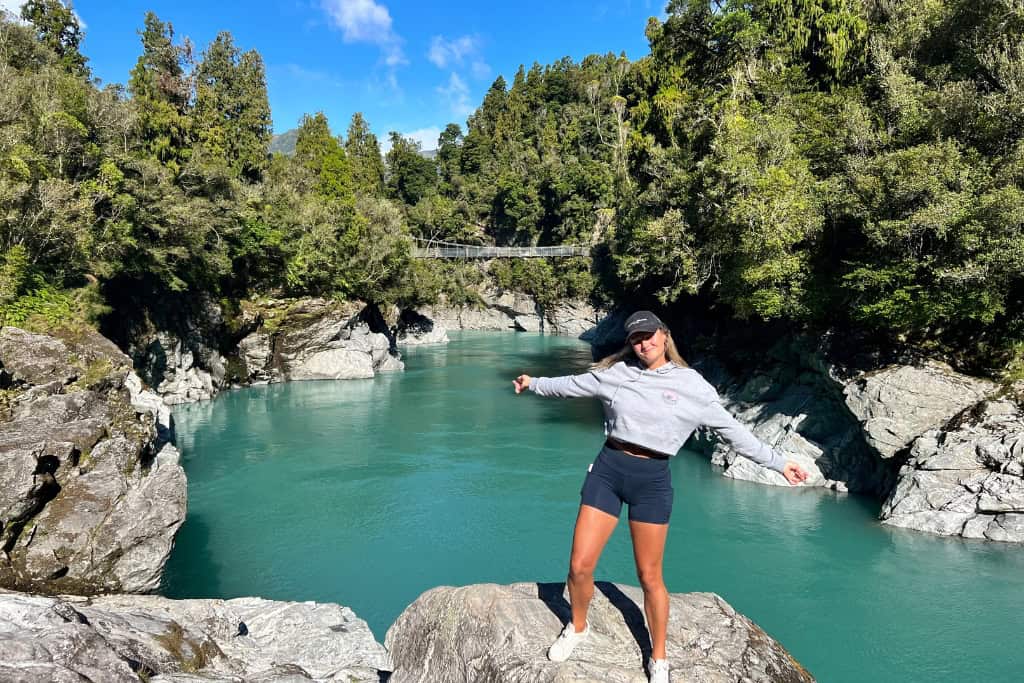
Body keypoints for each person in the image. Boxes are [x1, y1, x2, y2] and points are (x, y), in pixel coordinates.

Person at [512, 310, 808, 683]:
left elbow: (735, 433)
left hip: (651, 481)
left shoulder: (693, 386)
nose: (643, 343)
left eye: (649, 336)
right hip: (607, 472)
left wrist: (780, 463)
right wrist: (534, 382)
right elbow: (572, 385)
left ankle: (659, 657)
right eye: (636, 339)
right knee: (579, 566)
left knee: (650, 576)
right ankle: (578, 627)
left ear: (664, 336)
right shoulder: (617, 374)